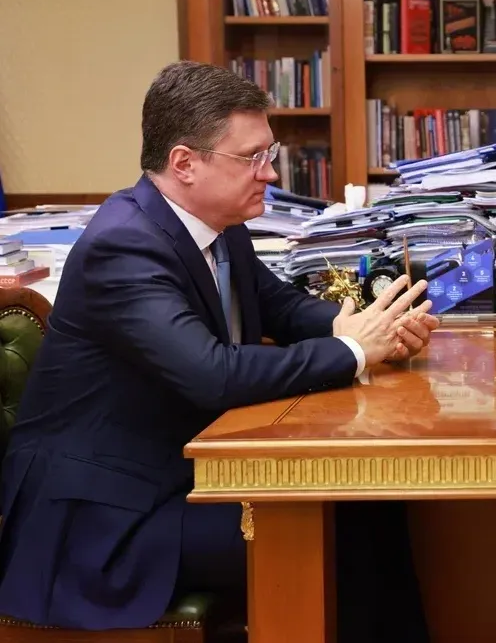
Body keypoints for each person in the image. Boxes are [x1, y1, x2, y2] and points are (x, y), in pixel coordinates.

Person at [0, 61, 439, 640]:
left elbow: (283, 309)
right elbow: (211, 373)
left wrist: (371, 328)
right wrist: (355, 350)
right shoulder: (124, 245)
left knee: (371, 500)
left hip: (179, 475)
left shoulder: (219, 224)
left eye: (269, 153)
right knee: (340, 525)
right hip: (105, 519)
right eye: (252, 157)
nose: (271, 172)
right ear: (185, 162)